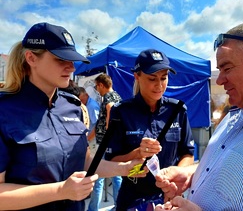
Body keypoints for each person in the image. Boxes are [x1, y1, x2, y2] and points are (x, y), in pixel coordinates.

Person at [154, 21, 243, 211]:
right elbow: (233, 168)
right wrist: (191, 174)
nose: (220, 80)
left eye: (227, 68)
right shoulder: (238, 113)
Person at [0, 22, 146, 211]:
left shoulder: (73, 107)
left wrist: (125, 169)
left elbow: (84, 162)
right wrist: (61, 190)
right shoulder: (5, 111)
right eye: (61, 59)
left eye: (72, 60)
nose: (71, 68)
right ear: (31, 58)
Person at [105, 49, 195, 211]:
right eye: (152, 78)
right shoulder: (121, 112)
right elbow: (111, 161)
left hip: (170, 198)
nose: (159, 85)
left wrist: (173, 182)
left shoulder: (177, 110)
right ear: (137, 76)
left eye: (164, 78)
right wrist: (137, 153)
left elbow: (187, 153)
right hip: (132, 198)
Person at [87, 73, 123, 211]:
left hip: (105, 144)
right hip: (113, 144)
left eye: (97, 86)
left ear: (102, 85)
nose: (97, 89)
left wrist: (109, 129)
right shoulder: (118, 96)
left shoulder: (108, 98)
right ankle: (119, 206)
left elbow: (110, 108)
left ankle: (92, 209)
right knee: (116, 176)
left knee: (99, 176)